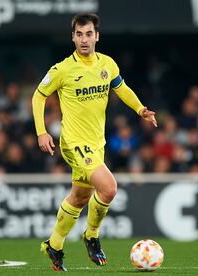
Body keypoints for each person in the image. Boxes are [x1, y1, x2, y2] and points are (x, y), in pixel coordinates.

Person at [32, 13, 157, 271]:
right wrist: (42, 132)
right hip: (74, 142)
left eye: (89, 34)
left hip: (96, 143)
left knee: (79, 197)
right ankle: (91, 235)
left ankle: (54, 245)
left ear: (97, 36)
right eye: (79, 34)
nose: (84, 39)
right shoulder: (62, 69)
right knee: (109, 188)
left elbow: (121, 88)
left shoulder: (107, 65)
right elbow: (38, 96)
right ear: (73, 37)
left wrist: (140, 109)